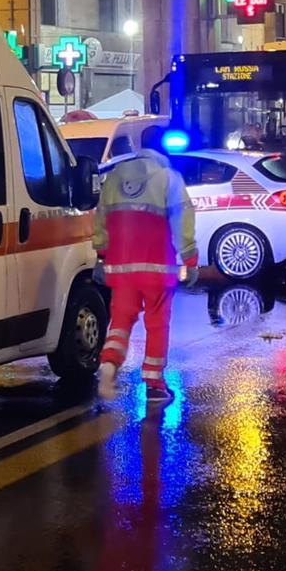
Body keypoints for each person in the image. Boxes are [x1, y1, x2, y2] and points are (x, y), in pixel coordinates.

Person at [92, 125, 198, 403]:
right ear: (162, 147)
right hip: (157, 269)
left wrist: (101, 257)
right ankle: (153, 382)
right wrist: (191, 260)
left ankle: (108, 364)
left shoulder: (114, 177)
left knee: (120, 321)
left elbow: (101, 219)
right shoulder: (168, 178)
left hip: (120, 268)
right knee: (157, 323)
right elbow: (182, 221)